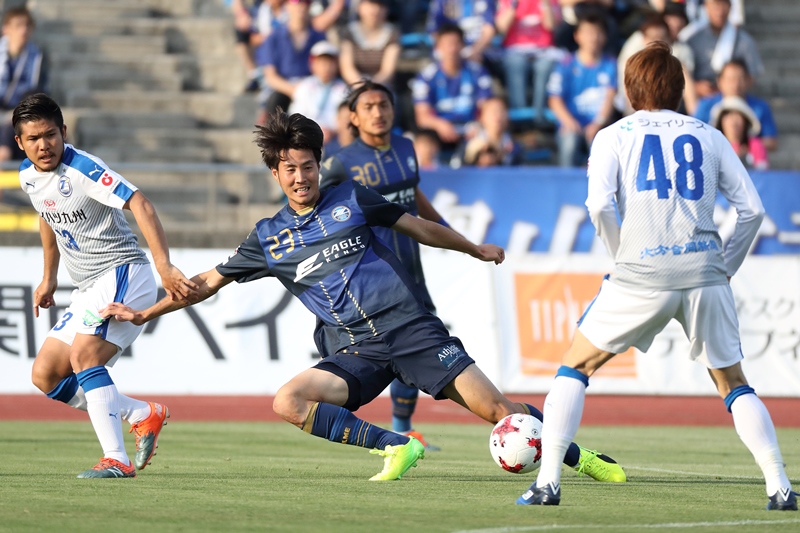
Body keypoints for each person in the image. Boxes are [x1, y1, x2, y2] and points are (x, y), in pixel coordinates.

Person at [102, 108, 626, 483]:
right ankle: (397, 445)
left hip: (411, 330)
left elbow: (419, 227)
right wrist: (148, 311)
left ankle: (582, 458)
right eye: (290, 169)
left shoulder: (351, 197)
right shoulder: (267, 238)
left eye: (308, 166)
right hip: (356, 351)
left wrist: (472, 247)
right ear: (275, 173)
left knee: (500, 411)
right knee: (288, 400)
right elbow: (205, 284)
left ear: (319, 165)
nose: (301, 177)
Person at [517, 42, 797, 511]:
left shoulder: (613, 135)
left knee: (575, 366)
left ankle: (548, 484)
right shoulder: (709, 134)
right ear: (680, 90)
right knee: (734, 384)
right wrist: (724, 268)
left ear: (629, 91)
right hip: (705, 273)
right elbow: (752, 209)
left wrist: (620, 256)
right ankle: (780, 486)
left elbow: (599, 205)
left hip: (640, 273)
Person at [14, 93, 198, 478]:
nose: (43, 145)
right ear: (20, 142)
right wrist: (49, 277)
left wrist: (164, 266)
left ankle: (117, 459)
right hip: (87, 286)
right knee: (45, 375)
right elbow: (47, 216)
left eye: (50, 135)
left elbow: (141, 203)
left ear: (64, 132)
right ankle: (141, 413)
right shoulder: (28, 175)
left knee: (85, 357)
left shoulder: (84, 168)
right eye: (33, 138)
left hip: (122, 272)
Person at [319, 80, 453, 449]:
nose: (378, 113)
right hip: (373, 272)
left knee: (418, 341)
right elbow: (314, 207)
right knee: (394, 343)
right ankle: (350, 417)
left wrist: (446, 230)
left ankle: (403, 428)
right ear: (353, 117)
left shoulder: (406, 147)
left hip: (410, 263)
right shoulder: (340, 163)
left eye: (384, 105)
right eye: (368, 107)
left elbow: (413, 193)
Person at [412, 23, 493, 161]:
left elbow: (487, 107)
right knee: (423, 146)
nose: (452, 49)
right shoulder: (426, 76)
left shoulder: (478, 72)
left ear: (463, 46)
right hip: (438, 130)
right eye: (447, 44)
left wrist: (478, 124)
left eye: (456, 43)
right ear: (438, 47)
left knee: (487, 150)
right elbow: (422, 117)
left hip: (471, 128)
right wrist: (440, 125)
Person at [546, 13, 616, 167]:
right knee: (570, 142)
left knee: (602, 145)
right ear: (577, 36)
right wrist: (569, 122)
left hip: (599, 125)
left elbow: (610, 96)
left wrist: (598, 123)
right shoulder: (565, 64)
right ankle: (566, 179)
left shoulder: (610, 64)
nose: (593, 38)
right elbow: (554, 99)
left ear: (605, 37)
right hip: (570, 123)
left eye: (598, 33)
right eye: (588, 33)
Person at [615, 14, 696, 116]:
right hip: (635, 112)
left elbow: (686, 89)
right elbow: (628, 93)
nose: (656, 42)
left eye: (662, 38)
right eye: (652, 37)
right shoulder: (633, 56)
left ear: (669, 38)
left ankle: (696, 115)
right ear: (644, 38)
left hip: (672, 109)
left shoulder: (678, 54)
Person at [495, 0, 562, 123]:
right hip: (515, 49)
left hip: (543, 50)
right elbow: (501, 27)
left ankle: (539, 114)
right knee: (516, 64)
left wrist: (546, 5)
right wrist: (514, 5)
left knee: (545, 66)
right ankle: (520, 115)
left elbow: (551, 26)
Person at [255, 0, 325, 116]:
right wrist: (295, 91)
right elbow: (270, 76)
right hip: (283, 90)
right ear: (286, 5)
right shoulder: (274, 38)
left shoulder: (319, 37)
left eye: (306, 2)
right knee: (276, 102)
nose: (301, 6)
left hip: (313, 88)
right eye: (296, 1)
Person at [680, 0, 763, 98]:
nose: (719, 11)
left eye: (723, 4)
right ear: (705, 7)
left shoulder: (744, 41)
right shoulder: (692, 38)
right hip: (698, 98)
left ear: (730, 6)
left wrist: (728, 87)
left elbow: (752, 75)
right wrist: (695, 86)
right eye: (715, 5)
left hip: (733, 98)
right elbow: (682, 72)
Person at [693, 59, 777, 152]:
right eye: (730, 79)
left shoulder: (760, 107)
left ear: (749, 80)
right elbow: (694, 134)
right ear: (720, 81)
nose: (735, 85)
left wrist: (747, 146)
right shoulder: (706, 105)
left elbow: (771, 141)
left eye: (740, 79)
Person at [0, 6, 46, 162]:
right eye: (18, 25)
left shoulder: (38, 57)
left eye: (27, 25)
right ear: (6, 29)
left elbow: (36, 90)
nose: (24, 30)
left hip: (20, 112)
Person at [287, 41, 348, 143]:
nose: (326, 67)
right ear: (312, 65)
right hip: (307, 137)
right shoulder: (304, 86)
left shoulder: (343, 89)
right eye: (321, 63)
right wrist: (313, 131)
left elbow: (344, 118)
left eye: (330, 63)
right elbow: (295, 115)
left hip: (334, 138)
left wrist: (331, 131)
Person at [338, 0, 400, 88]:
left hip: (381, 85)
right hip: (354, 85)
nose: (375, 10)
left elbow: (387, 71)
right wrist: (360, 86)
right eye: (370, 5)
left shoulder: (392, 33)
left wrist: (372, 87)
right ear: (359, 7)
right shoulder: (349, 32)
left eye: (379, 5)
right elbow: (347, 68)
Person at [426, 0, 497, 63]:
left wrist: (474, 51)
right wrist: (451, 50)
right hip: (450, 48)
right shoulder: (440, 2)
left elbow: (489, 30)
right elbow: (434, 31)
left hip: (478, 49)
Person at [459, 96, 522, 167]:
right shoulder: (468, 145)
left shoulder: (515, 147)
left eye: (501, 111)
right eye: (492, 111)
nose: (497, 115)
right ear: (481, 117)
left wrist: (499, 160)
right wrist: (476, 160)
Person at [711, 96, 768, 170]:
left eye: (738, 115)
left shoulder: (755, 144)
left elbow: (763, 171)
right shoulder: (714, 146)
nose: (733, 121)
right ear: (720, 122)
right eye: (728, 115)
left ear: (746, 122)